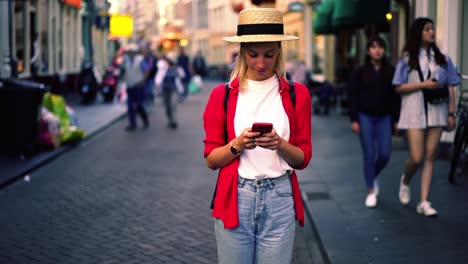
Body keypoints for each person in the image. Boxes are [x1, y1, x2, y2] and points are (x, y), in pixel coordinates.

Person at [202, 8, 312, 264]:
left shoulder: (298, 94)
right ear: (242, 52)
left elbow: (303, 158)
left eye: (269, 54)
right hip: (235, 198)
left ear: (279, 52)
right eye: (253, 55)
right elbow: (211, 160)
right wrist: (236, 145)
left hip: (280, 198)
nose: (261, 63)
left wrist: (280, 145)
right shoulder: (223, 95)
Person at [392, 17, 459, 216]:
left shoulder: (443, 58)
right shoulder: (407, 59)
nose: (431, 32)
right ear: (418, 32)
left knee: (430, 156)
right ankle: (406, 179)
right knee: (416, 157)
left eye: (432, 28)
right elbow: (398, 87)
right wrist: (423, 85)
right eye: (427, 29)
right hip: (414, 111)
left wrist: (451, 113)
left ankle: (424, 201)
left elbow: (450, 87)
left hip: (438, 110)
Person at [348, 36, 400, 208]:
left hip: (385, 117)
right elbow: (352, 96)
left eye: (380, 47)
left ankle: (373, 175)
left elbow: (395, 97)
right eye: (373, 47)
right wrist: (354, 119)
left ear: (384, 50)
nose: (377, 50)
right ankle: (370, 191)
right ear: (368, 50)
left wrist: (396, 120)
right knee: (369, 155)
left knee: (385, 154)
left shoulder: (390, 70)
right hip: (365, 117)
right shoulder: (360, 71)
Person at [121, 43, 150, 131]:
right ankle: (132, 124)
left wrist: (143, 81)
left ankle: (145, 120)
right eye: (129, 52)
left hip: (138, 86)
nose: (131, 53)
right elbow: (122, 70)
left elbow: (146, 70)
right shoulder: (125, 60)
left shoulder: (140, 60)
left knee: (139, 105)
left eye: (132, 52)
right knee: (130, 106)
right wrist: (123, 78)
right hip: (130, 85)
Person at [155, 51, 185, 129]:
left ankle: (174, 121)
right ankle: (169, 120)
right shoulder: (163, 68)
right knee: (167, 106)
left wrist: (178, 71)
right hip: (165, 90)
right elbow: (158, 78)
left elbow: (183, 75)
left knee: (173, 105)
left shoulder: (177, 68)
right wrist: (158, 85)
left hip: (174, 90)